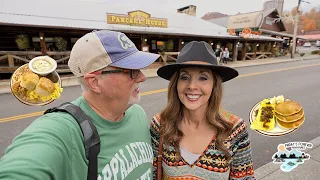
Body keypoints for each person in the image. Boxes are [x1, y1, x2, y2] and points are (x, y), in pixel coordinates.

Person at [0, 30, 159, 179]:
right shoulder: (64, 129)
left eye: (140, 68)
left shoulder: (137, 113)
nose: (142, 77)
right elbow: (22, 166)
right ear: (95, 82)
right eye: (132, 71)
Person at [151, 41, 255, 179]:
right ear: (176, 83)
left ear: (214, 85)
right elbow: (152, 173)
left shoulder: (234, 129)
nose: (192, 86)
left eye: (203, 78)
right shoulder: (160, 124)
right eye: (184, 77)